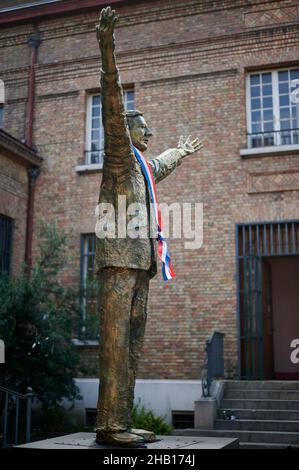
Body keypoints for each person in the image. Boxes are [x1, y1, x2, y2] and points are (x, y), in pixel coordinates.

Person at [95, 6, 203, 447]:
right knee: (117, 344)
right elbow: (113, 98)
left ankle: (120, 423)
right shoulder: (119, 156)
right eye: (145, 128)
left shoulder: (140, 167)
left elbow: (159, 164)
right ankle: (108, 425)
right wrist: (107, 50)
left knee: (133, 344)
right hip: (118, 263)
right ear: (125, 131)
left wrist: (180, 151)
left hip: (140, 265)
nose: (150, 132)